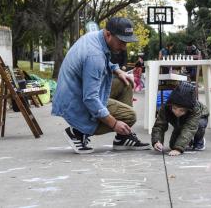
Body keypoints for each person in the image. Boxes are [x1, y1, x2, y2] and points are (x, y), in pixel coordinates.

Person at [52, 17, 150, 154]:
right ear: (108, 34)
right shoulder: (95, 56)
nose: (124, 47)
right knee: (129, 116)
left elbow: (103, 61)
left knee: (125, 82)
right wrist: (114, 124)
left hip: (76, 93)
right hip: (75, 103)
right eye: (121, 42)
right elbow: (90, 98)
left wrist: (117, 70)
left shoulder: (95, 37)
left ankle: (122, 138)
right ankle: (78, 131)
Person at [151, 82, 209, 156]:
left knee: (199, 124)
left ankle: (199, 141)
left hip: (200, 116)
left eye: (181, 110)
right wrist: (157, 141)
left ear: (188, 109)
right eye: (174, 108)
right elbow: (159, 125)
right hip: (180, 121)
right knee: (173, 145)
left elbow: (190, 128)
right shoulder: (166, 107)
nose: (177, 112)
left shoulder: (195, 109)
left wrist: (178, 149)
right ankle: (188, 141)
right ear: (171, 105)